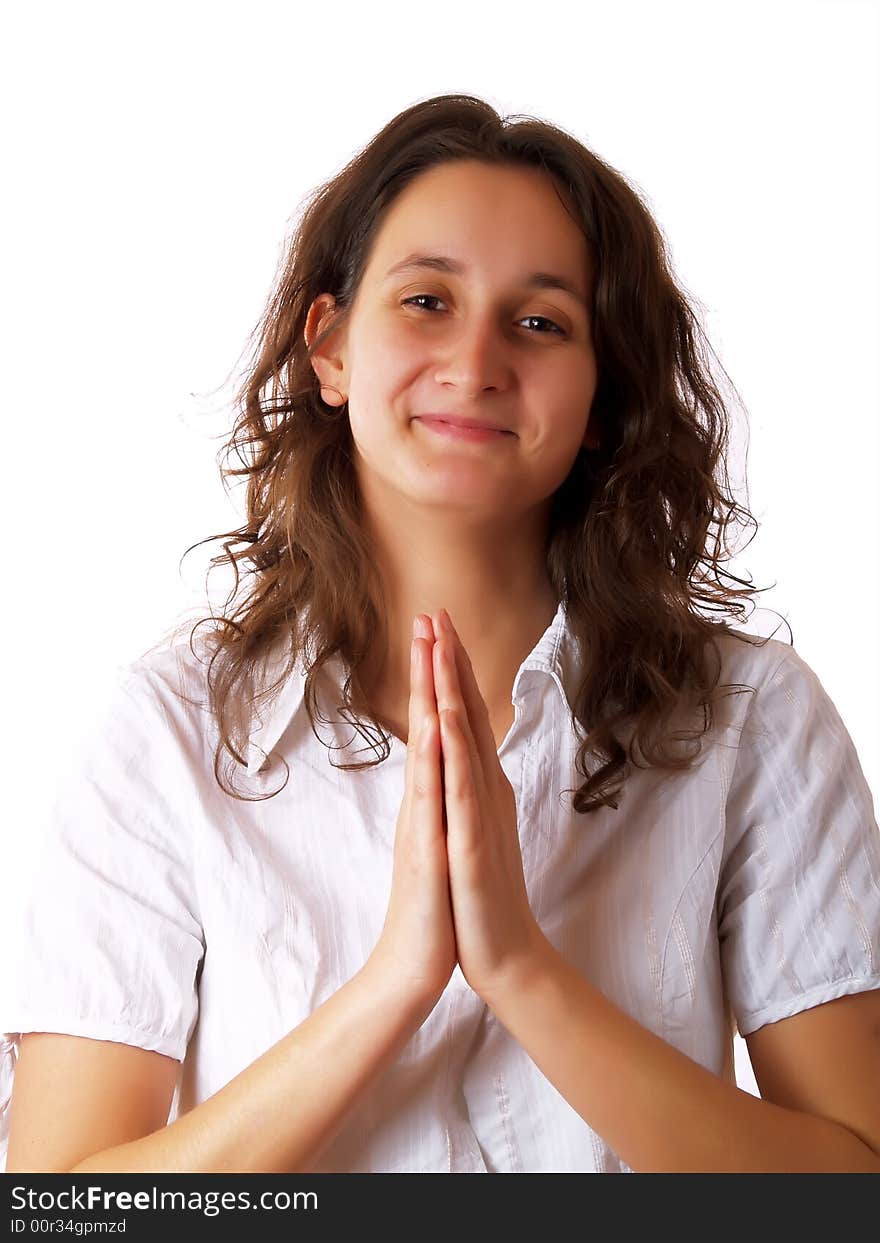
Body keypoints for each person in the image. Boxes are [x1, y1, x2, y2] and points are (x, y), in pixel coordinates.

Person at [3, 93, 879, 1174]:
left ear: (602, 395)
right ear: (328, 349)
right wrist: (393, 984)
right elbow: (63, 1206)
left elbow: (852, 1183)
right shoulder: (170, 731)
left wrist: (521, 969)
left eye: (541, 321)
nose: (475, 363)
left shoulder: (754, 719)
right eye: (426, 300)